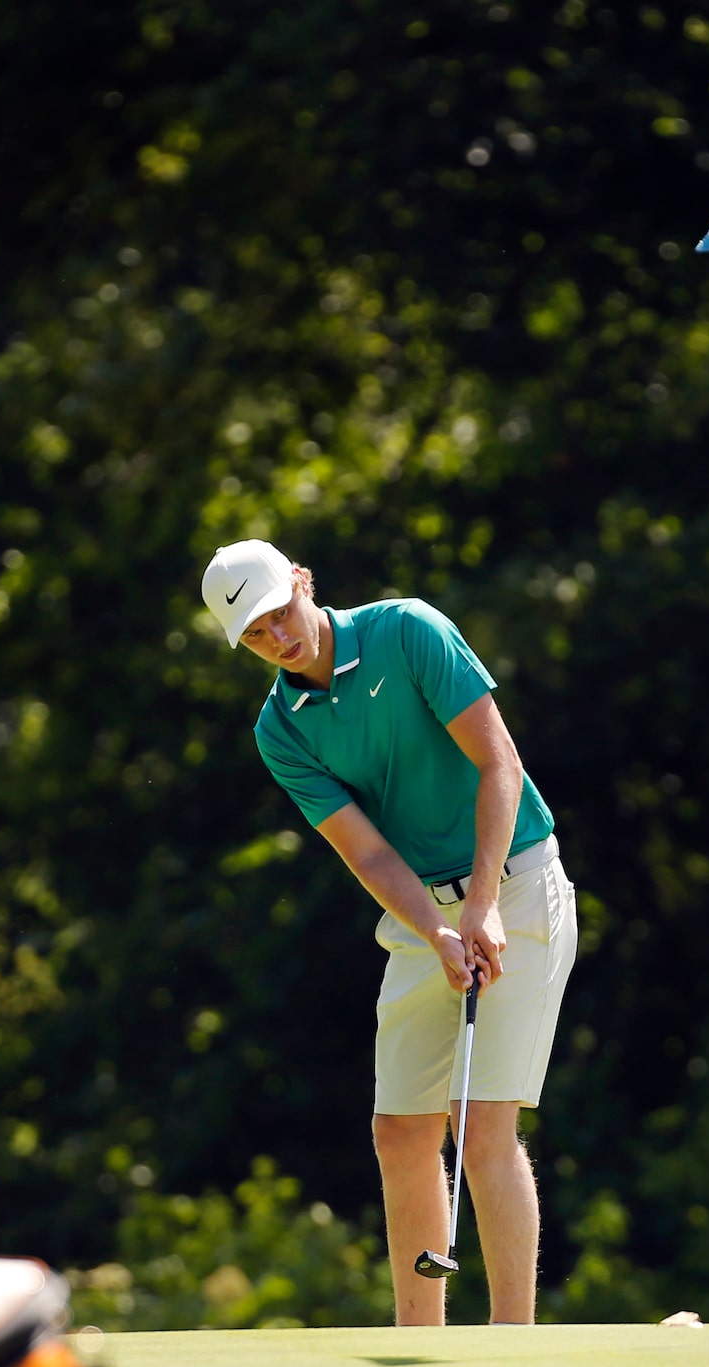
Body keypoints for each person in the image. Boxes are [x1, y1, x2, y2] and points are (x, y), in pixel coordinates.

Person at [202, 539, 577, 1327]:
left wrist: (479, 905)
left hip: (515, 881)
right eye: (257, 635)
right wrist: (439, 933)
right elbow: (367, 852)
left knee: (481, 1130)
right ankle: (424, 1341)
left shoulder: (408, 631)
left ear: (303, 582)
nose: (278, 637)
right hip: (420, 919)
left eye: (279, 613)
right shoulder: (282, 730)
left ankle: (512, 1341)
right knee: (400, 1131)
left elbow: (499, 764)